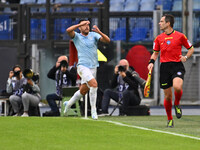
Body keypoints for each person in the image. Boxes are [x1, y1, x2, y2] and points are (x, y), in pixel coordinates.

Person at [147, 14, 194, 127]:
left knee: (177, 87)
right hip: (165, 68)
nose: (159, 23)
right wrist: (151, 63)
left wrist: (186, 57)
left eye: (162, 21)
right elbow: (155, 53)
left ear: (168, 23)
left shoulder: (180, 36)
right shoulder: (158, 38)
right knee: (168, 96)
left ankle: (177, 104)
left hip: (177, 66)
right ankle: (170, 119)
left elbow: (191, 49)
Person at [64, 19, 110, 120]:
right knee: (94, 84)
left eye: (87, 25)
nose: (86, 27)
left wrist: (99, 32)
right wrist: (79, 24)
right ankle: (94, 110)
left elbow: (107, 40)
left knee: (83, 90)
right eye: (84, 25)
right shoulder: (77, 37)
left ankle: (68, 104)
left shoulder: (94, 35)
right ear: (80, 27)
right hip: (82, 66)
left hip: (93, 66)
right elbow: (68, 30)